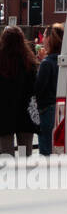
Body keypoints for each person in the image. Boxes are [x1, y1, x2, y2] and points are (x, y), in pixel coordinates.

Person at [0, 26, 39, 156]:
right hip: (25, 117)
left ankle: (8, 176)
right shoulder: (30, 63)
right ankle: (24, 176)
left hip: (4, 117)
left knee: (6, 153)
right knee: (25, 154)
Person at [34, 24, 62, 155]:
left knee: (45, 148)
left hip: (45, 110)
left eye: (44, 35)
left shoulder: (47, 63)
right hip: (57, 108)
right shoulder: (61, 60)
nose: (42, 38)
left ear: (50, 39)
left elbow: (38, 89)